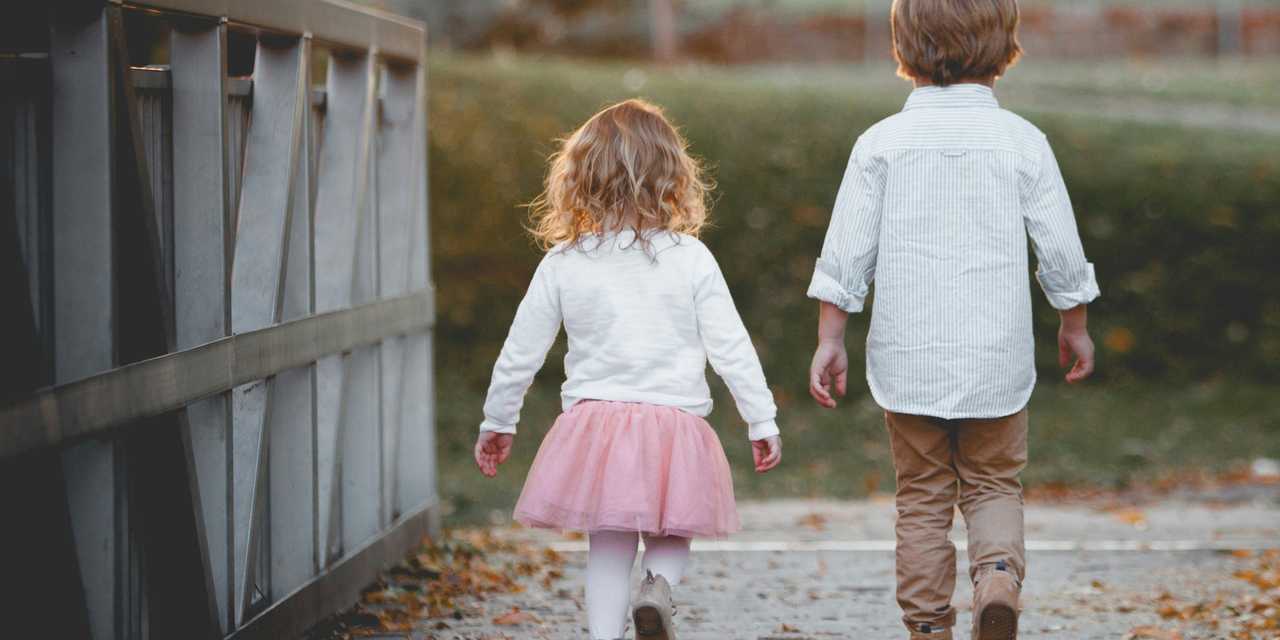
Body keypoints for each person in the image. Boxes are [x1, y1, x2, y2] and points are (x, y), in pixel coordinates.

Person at [806, 1, 1100, 638]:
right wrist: (1072, 324)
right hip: (995, 363)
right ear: (1002, 46)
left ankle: (929, 627)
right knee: (994, 482)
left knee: (920, 498)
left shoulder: (880, 144)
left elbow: (845, 254)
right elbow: (1061, 249)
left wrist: (832, 337)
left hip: (907, 362)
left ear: (905, 46)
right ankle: (996, 576)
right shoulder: (1022, 142)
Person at [474, 98, 783, 640]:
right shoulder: (690, 258)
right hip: (675, 424)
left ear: (580, 179)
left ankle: (603, 636)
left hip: (597, 429)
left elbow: (520, 351)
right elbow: (731, 348)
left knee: (608, 544)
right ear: (671, 177)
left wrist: (499, 420)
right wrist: (762, 420)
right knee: (672, 531)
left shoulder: (565, 261)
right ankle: (657, 589)